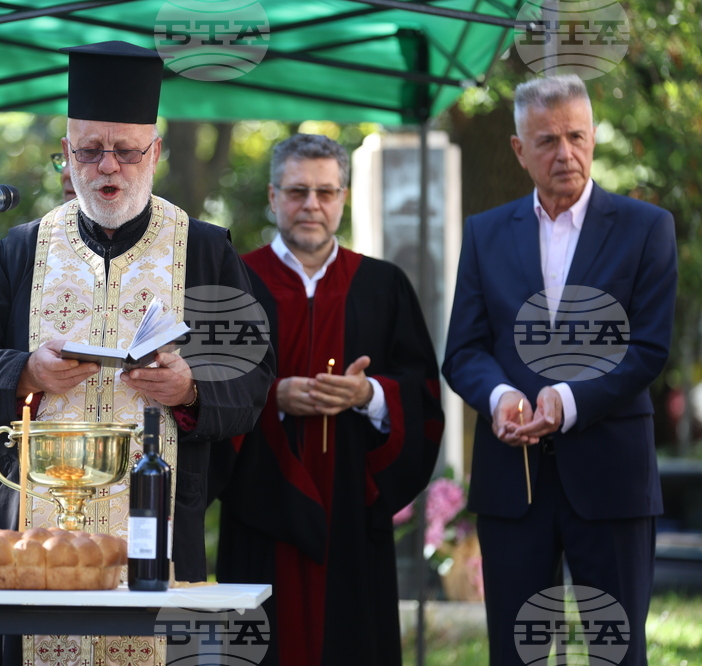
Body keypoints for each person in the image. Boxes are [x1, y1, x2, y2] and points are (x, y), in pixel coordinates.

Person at [0, 41, 274, 666]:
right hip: (35, 531)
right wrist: (26, 371)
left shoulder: (205, 251)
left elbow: (253, 378)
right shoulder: (21, 250)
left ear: (156, 152)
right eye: (90, 150)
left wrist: (191, 390)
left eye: (125, 150)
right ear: (67, 155)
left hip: (159, 521)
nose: (107, 166)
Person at [442, 75, 677, 666]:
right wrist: (499, 396)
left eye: (576, 136)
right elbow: (464, 350)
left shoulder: (647, 228)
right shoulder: (484, 233)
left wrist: (566, 402)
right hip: (512, 483)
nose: (565, 152)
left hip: (613, 481)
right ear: (519, 150)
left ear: (594, 136)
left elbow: (648, 349)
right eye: (547, 140)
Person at [210, 134, 444, 666]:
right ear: (273, 197)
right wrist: (272, 396)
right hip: (262, 509)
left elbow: (422, 393)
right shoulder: (235, 283)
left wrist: (371, 394)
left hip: (351, 513)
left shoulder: (383, 285)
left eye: (325, 192)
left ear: (344, 198)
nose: (311, 205)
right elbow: (202, 389)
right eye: (297, 191)